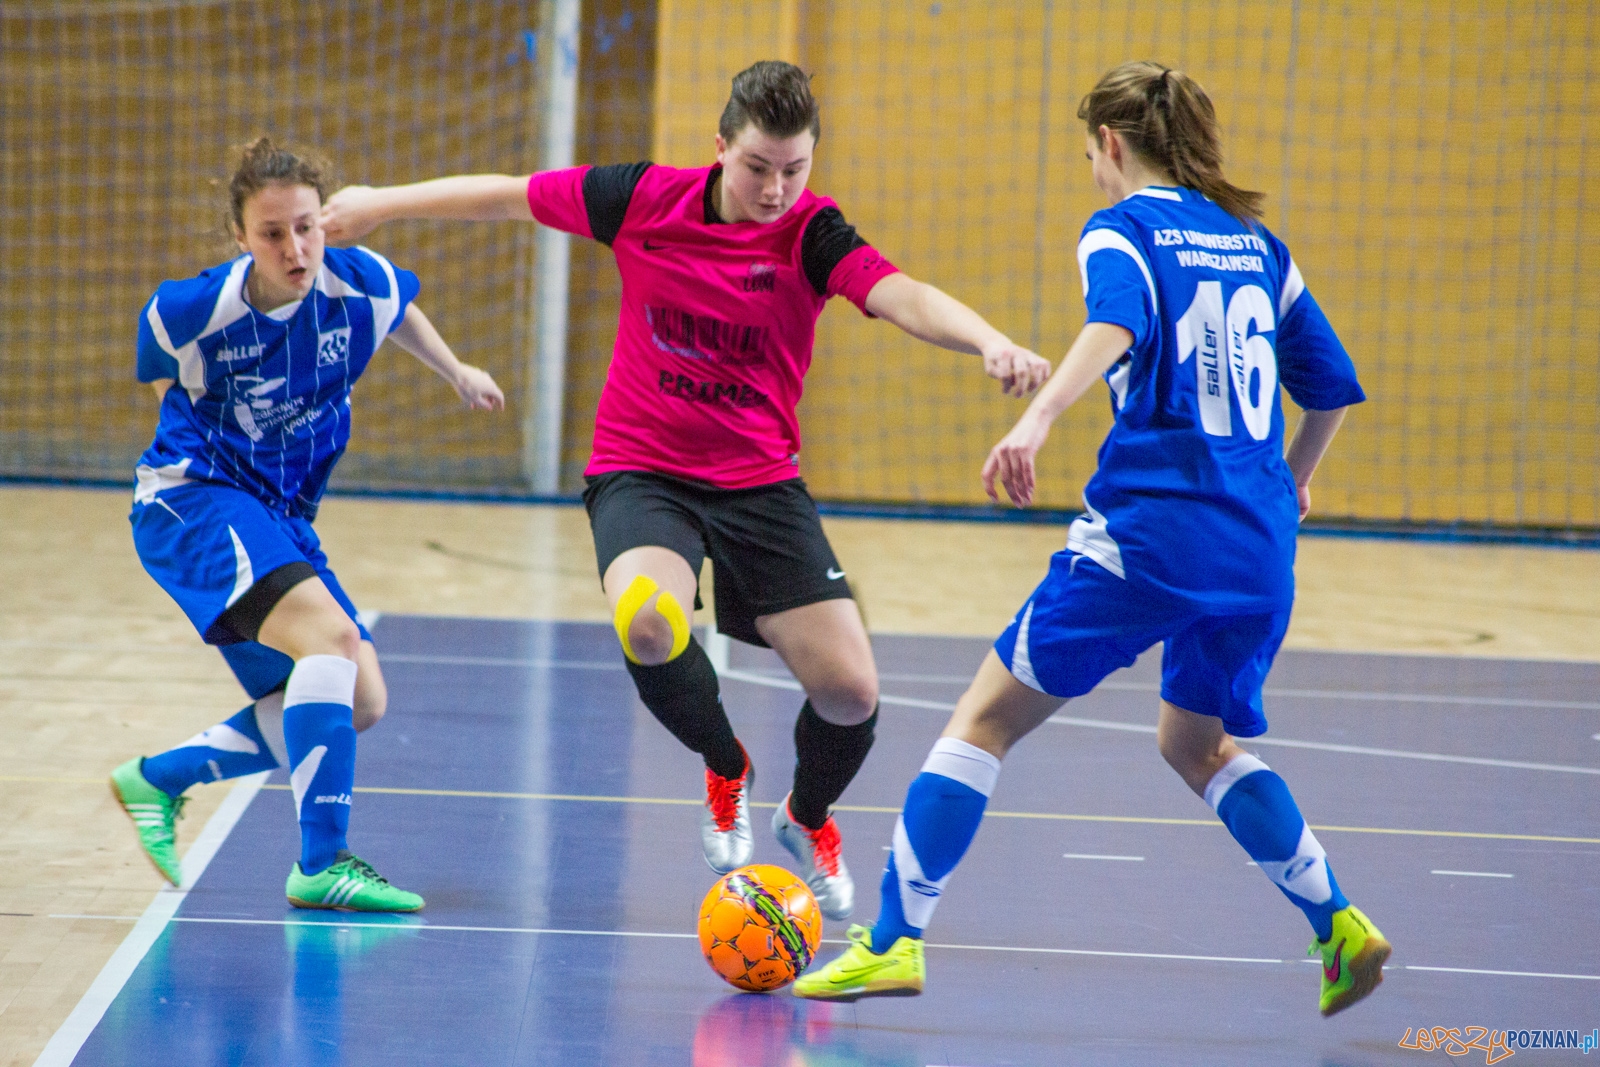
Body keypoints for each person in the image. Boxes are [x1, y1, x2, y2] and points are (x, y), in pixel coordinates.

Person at [320, 60, 1051, 920]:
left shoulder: (812, 234)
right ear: (720, 148)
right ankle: (726, 765)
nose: (775, 189)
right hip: (644, 469)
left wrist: (989, 341)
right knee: (648, 620)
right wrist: (381, 204)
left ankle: (805, 816)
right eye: (757, 167)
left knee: (852, 693)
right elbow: (509, 197)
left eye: (794, 169)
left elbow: (903, 295)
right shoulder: (643, 199)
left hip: (760, 483)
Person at [794, 61, 1391, 1017]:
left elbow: (1116, 319)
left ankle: (892, 941)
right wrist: (1295, 479)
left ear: (1111, 144)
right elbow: (1332, 386)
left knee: (983, 721)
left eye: (1089, 156)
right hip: (1259, 547)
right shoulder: (1258, 245)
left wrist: (1035, 422)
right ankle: (1340, 924)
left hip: (1151, 536)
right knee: (1196, 743)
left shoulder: (1121, 230)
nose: (1093, 172)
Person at [111, 137, 504, 912]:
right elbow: (156, 364)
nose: (294, 248)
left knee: (360, 698)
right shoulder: (194, 309)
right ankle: (322, 864)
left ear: (326, 222)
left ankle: (158, 778)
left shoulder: (356, 282)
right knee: (331, 639)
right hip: (195, 500)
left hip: (278, 512)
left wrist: (457, 370)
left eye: (306, 227)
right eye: (272, 234)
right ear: (240, 237)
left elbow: (398, 310)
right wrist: (207, 437)